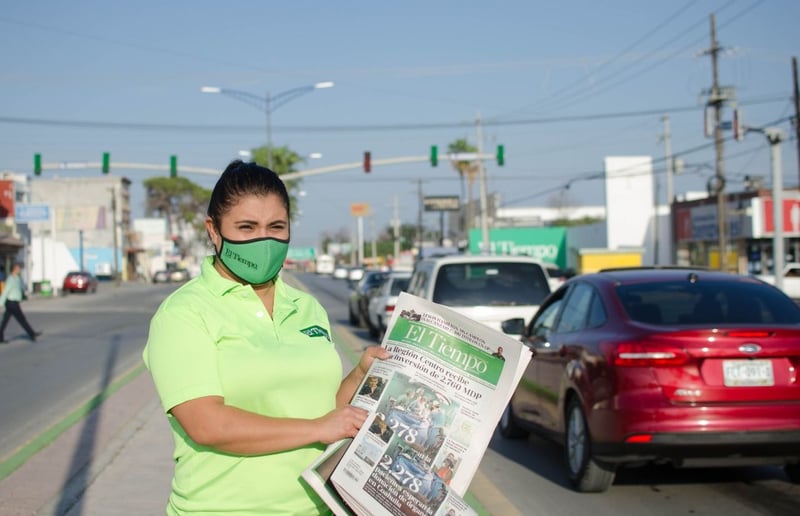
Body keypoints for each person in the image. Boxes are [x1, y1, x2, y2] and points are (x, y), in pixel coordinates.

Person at [143, 160, 390, 515]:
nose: (264, 240)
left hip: (317, 507)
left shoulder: (307, 307)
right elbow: (206, 424)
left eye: (276, 226)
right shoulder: (183, 313)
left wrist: (360, 375)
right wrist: (318, 428)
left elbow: (318, 411)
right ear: (213, 230)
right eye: (246, 227)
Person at [0, 262, 40, 343]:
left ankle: (0, 337)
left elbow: (21, 287)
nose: (19, 269)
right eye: (18, 268)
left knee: (5, 321)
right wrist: (0, 303)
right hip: (11, 303)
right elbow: (5, 292)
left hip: (14, 302)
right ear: (14, 269)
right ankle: (32, 334)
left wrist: (25, 293)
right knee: (21, 319)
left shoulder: (17, 278)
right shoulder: (10, 279)